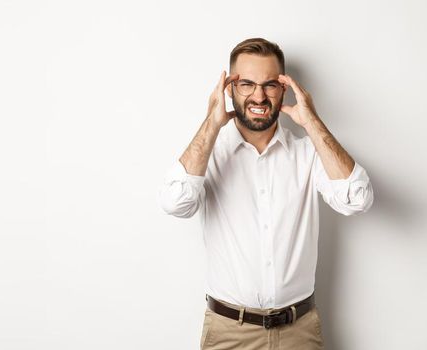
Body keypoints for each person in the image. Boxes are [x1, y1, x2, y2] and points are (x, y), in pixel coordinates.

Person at [157, 38, 374, 349]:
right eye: (246, 84)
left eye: (270, 85)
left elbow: (358, 199)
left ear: (283, 89)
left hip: (299, 331)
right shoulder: (209, 155)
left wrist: (311, 121)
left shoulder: (307, 154)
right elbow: (175, 203)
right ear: (229, 88)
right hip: (229, 333)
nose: (258, 96)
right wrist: (211, 124)